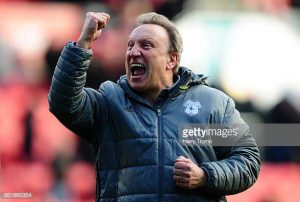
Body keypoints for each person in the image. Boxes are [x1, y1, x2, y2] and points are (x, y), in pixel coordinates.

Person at [48, 12, 260, 202]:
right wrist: (82, 44)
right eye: (130, 45)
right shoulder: (109, 102)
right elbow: (62, 103)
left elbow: (247, 160)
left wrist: (205, 176)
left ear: (171, 59)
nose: (133, 52)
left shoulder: (212, 104)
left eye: (146, 45)